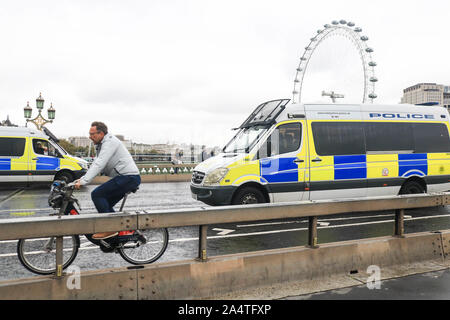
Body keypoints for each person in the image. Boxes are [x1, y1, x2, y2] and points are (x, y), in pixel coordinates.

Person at [74, 121, 141, 240]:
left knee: (97, 194)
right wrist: (81, 178)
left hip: (128, 177)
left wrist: (84, 181)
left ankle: (110, 229)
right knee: (105, 205)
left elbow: (100, 163)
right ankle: (118, 236)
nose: (90, 137)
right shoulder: (101, 144)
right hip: (126, 177)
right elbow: (97, 164)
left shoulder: (110, 142)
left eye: (92, 134)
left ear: (101, 133)